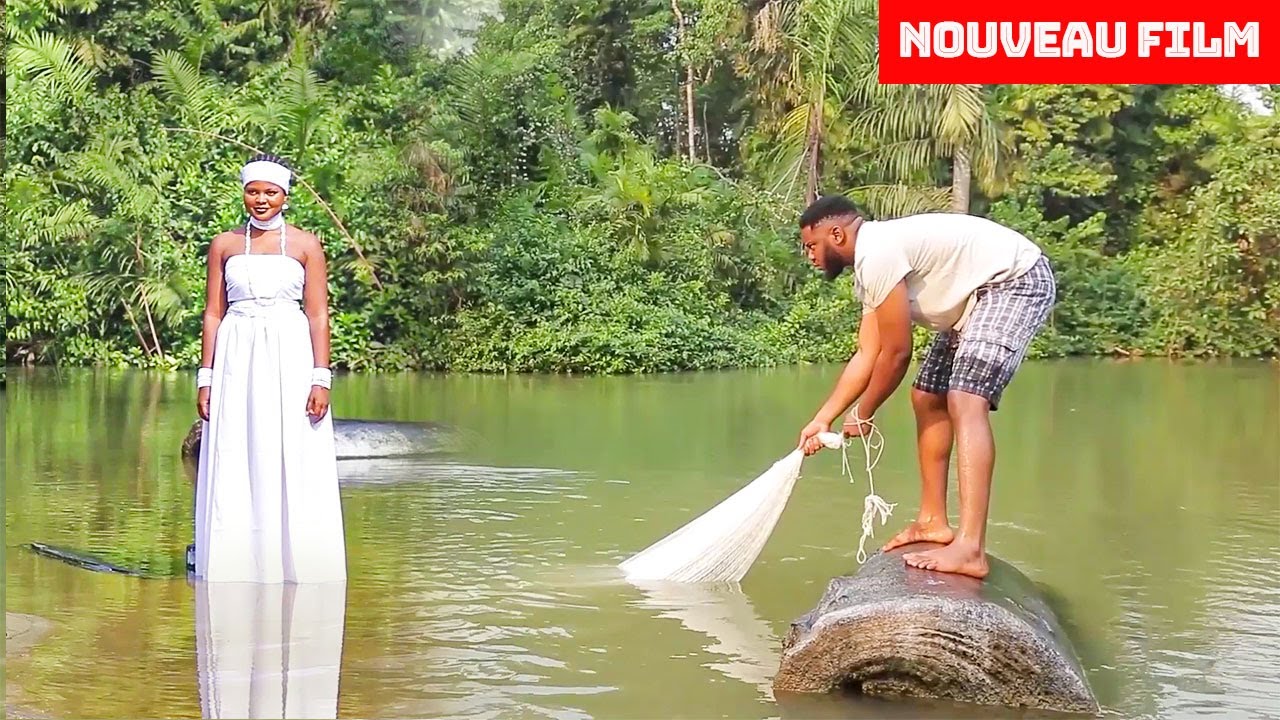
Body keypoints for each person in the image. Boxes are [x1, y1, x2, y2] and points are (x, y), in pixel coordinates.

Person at [795, 195, 1056, 579]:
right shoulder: (871, 268)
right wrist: (823, 419)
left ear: (836, 234)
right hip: (973, 300)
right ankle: (933, 520)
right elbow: (869, 352)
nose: (811, 257)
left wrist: (865, 411)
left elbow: (898, 353)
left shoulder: (877, 252)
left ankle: (970, 549)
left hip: (1013, 282)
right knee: (927, 397)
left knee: (966, 399)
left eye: (811, 246)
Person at [192, 153, 347, 584]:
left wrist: (321, 376)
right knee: (236, 447)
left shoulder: (305, 244)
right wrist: (206, 376)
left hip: (289, 350)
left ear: (285, 196)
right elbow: (212, 314)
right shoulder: (224, 244)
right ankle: (235, 563)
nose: (261, 200)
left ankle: (297, 564)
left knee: (290, 445)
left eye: (270, 192)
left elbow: (318, 314)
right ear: (244, 193)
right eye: (253, 191)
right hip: (237, 352)